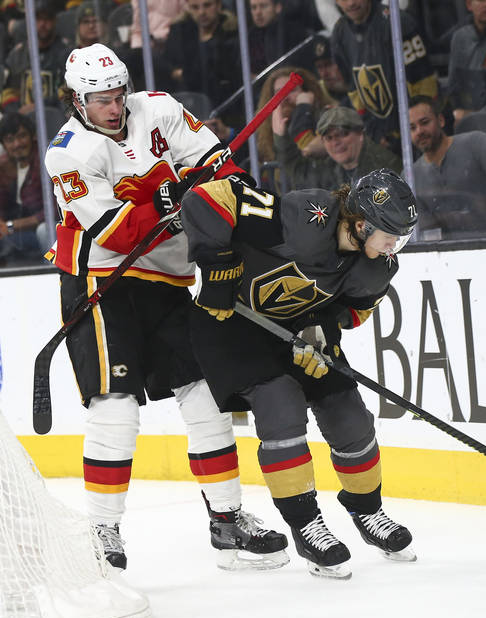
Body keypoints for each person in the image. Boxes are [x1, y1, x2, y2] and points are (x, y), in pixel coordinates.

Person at [44, 44, 288, 571]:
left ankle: (227, 522)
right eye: (98, 99)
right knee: (116, 409)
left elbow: (219, 165)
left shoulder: (159, 109)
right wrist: (172, 198)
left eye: (116, 95)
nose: (112, 107)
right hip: (102, 280)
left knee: (204, 395)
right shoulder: (68, 152)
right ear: (76, 100)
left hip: (169, 278)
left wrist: (223, 189)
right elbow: (116, 231)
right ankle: (101, 531)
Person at [175, 168, 418, 578]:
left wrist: (321, 328)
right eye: (390, 234)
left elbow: (352, 311)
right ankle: (306, 524)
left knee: (348, 411)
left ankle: (367, 512)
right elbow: (206, 198)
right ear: (361, 224)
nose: (395, 245)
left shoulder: (376, 267)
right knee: (280, 402)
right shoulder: (307, 216)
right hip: (231, 324)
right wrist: (216, 267)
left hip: (294, 329)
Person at [329, 0, 437, 151]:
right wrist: (372, 132)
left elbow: (424, 83)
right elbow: (355, 91)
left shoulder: (398, 22)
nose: (351, 3)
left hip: (416, 134)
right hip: (380, 138)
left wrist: (415, 129)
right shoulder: (339, 33)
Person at [408, 95, 486, 238]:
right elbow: (426, 233)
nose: (419, 131)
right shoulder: (411, 176)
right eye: (412, 128)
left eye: (425, 122)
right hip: (451, 256)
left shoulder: (477, 143)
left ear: (441, 120)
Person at [0, 113, 48, 270]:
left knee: (45, 230)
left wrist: (11, 225)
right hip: (16, 233)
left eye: (22, 136)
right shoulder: (2, 163)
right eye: (10, 140)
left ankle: (57, 279)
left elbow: (51, 212)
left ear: (32, 136)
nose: (17, 144)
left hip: (42, 230)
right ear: (3, 144)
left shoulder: (47, 156)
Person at [275, 105, 400, 190]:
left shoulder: (384, 169)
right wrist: (281, 138)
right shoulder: (331, 167)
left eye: (343, 134)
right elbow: (300, 172)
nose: (336, 142)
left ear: (360, 133)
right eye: (329, 138)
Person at [164, 0, 243, 120]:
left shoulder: (232, 32)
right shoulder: (180, 30)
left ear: (218, 5)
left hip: (224, 105)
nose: (201, 12)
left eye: (207, 5)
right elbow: (169, 66)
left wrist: (183, 73)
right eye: (195, 7)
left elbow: (226, 74)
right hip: (185, 102)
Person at [3, 2, 73, 113]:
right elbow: (9, 92)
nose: (42, 24)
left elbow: (67, 92)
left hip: (55, 117)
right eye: (37, 19)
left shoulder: (67, 53)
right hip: (22, 118)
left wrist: (39, 106)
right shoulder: (17, 54)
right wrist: (17, 113)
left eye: (47, 19)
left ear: (55, 21)